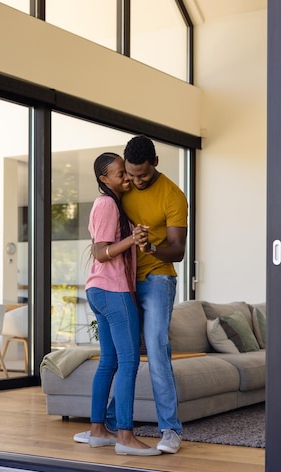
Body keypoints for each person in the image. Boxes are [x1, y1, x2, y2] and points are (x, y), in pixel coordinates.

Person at [74, 152, 161, 456]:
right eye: (120, 174)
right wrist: (132, 239)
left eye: (126, 172)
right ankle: (125, 435)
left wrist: (135, 237)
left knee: (109, 361)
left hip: (101, 291)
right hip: (113, 291)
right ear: (104, 179)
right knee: (129, 362)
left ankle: (99, 431)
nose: (126, 178)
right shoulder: (107, 203)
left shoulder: (112, 205)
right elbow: (101, 252)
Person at [122, 134, 188, 454]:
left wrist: (151, 248)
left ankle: (170, 429)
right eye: (132, 175)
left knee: (158, 349)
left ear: (156, 164)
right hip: (124, 281)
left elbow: (178, 251)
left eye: (143, 175)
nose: (137, 181)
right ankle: (114, 424)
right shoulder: (123, 188)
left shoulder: (173, 195)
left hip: (158, 278)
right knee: (123, 353)